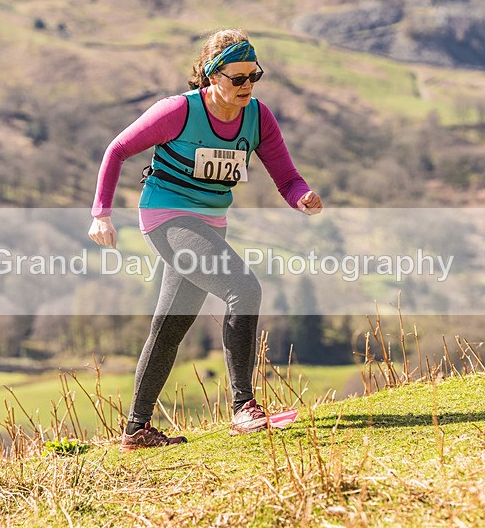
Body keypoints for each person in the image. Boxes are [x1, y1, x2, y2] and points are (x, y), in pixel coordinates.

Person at [88, 29, 323, 452]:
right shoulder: (177, 111)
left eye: (255, 75)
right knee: (243, 288)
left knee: (170, 326)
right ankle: (244, 407)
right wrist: (101, 214)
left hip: (210, 224)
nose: (247, 85)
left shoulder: (258, 117)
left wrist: (301, 196)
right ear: (212, 77)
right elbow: (117, 149)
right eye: (237, 78)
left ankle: (136, 431)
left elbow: (286, 177)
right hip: (167, 218)